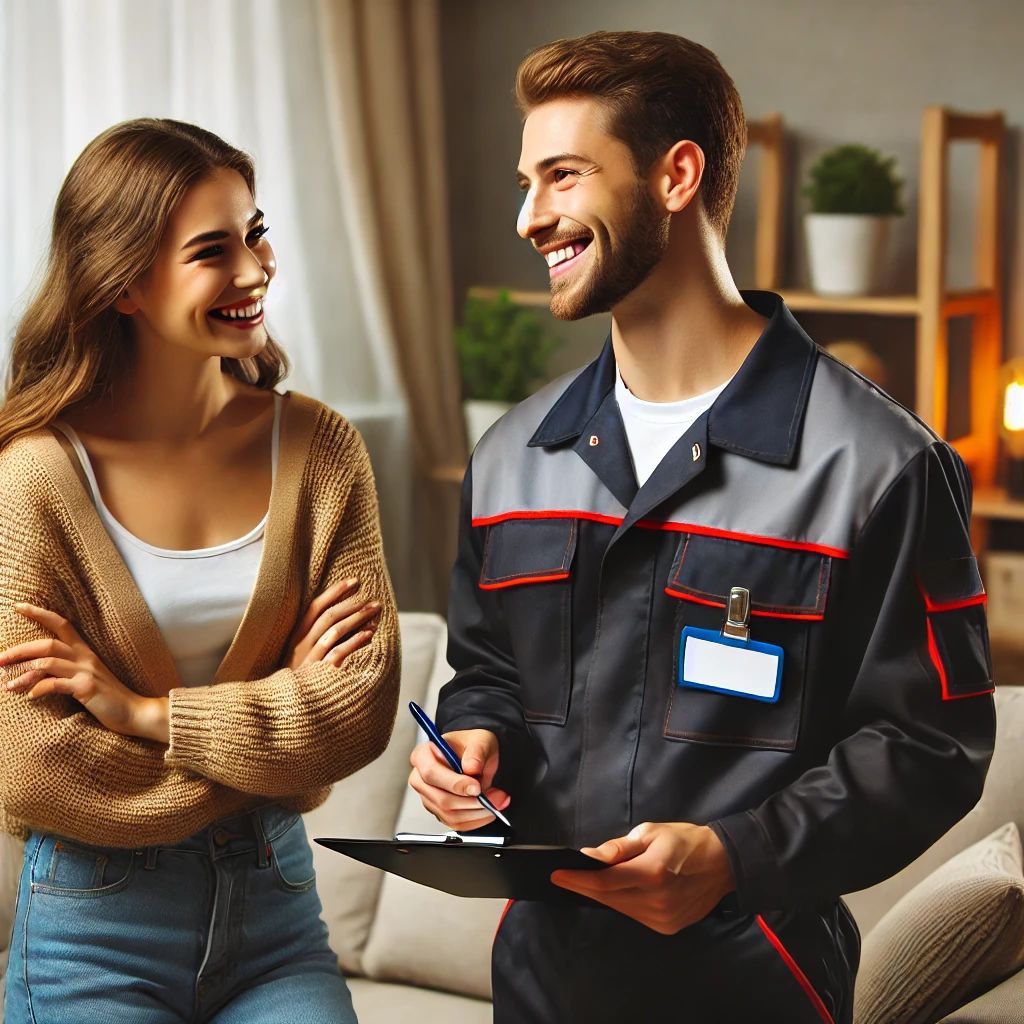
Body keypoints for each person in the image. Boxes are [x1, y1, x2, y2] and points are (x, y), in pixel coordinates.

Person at [408, 30, 995, 1024]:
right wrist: (471, 735)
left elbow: (929, 741)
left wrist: (735, 858)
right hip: (541, 987)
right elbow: (489, 666)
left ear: (676, 174)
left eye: (561, 175)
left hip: (757, 985)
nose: (527, 215)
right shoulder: (511, 458)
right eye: (526, 180)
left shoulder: (878, 461)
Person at [0, 119, 399, 1023]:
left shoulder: (323, 451)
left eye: (255, 233)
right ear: (126, 282)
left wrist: (146, 715)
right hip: (91, 931)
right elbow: (34, 767)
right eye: (213, 251)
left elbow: (359, 712)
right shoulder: (33, 480)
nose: (255, 271)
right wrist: (278, 748)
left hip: (276, 915)